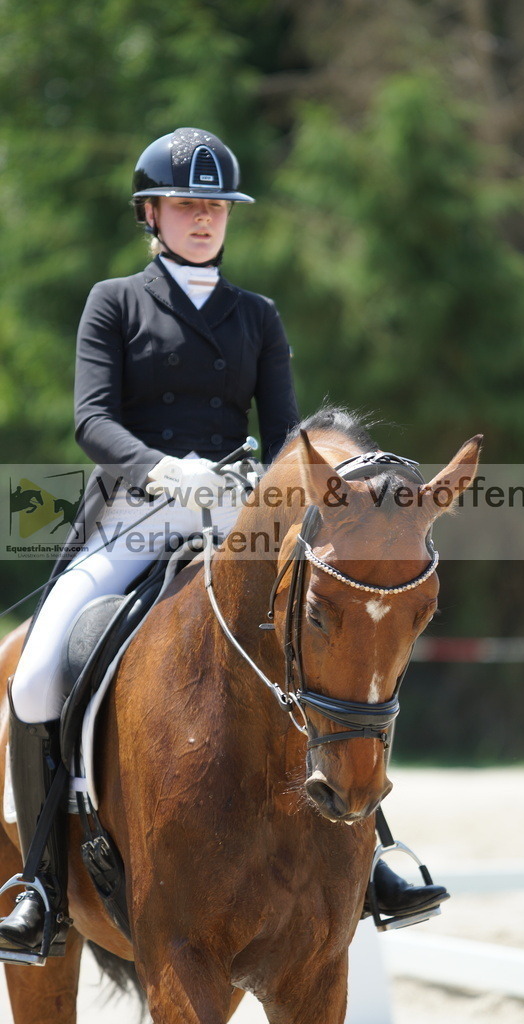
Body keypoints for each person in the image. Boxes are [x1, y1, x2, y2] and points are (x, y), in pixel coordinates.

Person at [0, 127, 447, 964]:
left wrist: (261, 489)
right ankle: (37, 885)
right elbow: (92, 419)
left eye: (215, 207)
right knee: (35, 671)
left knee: (326, 648)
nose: (203, 219)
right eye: (185, 205)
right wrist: (165, 469)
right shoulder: (115, 302)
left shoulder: (256, 317)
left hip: (241, 519)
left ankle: (377, 853)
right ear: (152, 213)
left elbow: (287, 439)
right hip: (135, 512)